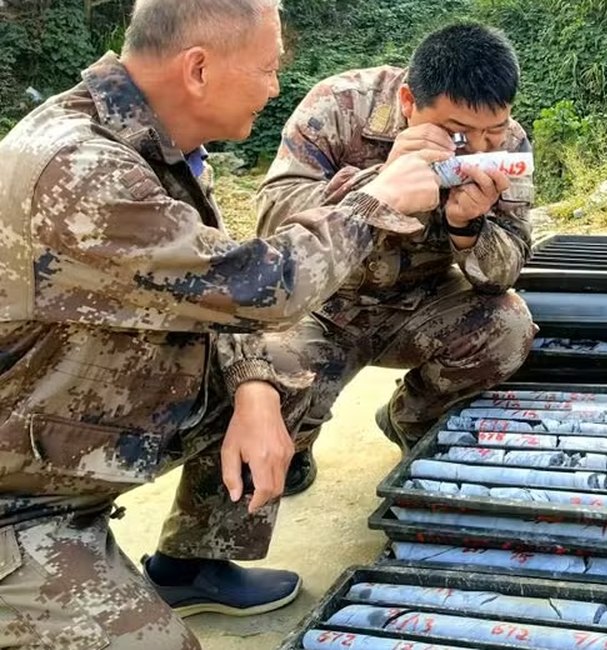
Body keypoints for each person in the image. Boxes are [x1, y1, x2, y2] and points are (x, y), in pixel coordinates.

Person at [0, 0, 446, 646]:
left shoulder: (148, 144)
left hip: (60, 440)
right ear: (199, 69)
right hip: (19, 498)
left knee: (286, 366)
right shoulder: (79, 169)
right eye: (267, 69)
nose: (274, 87)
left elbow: (210, 293)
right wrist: (375, 202)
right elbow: (260, 286)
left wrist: (257, 390)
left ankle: (191, 563)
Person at [256, 22, 538, 495]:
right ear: (408, 102)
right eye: (457, 133)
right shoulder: (339, 105)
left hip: (422, 301)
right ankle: (297, 441)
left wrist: (468, 228)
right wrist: (379, 184)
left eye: (493, 130)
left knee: (508, 327)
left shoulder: (507, 143)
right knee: (265, 368)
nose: (479, 146)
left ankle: (410, 418)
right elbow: (272, 224)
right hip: (324, 302)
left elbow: (505, 272)